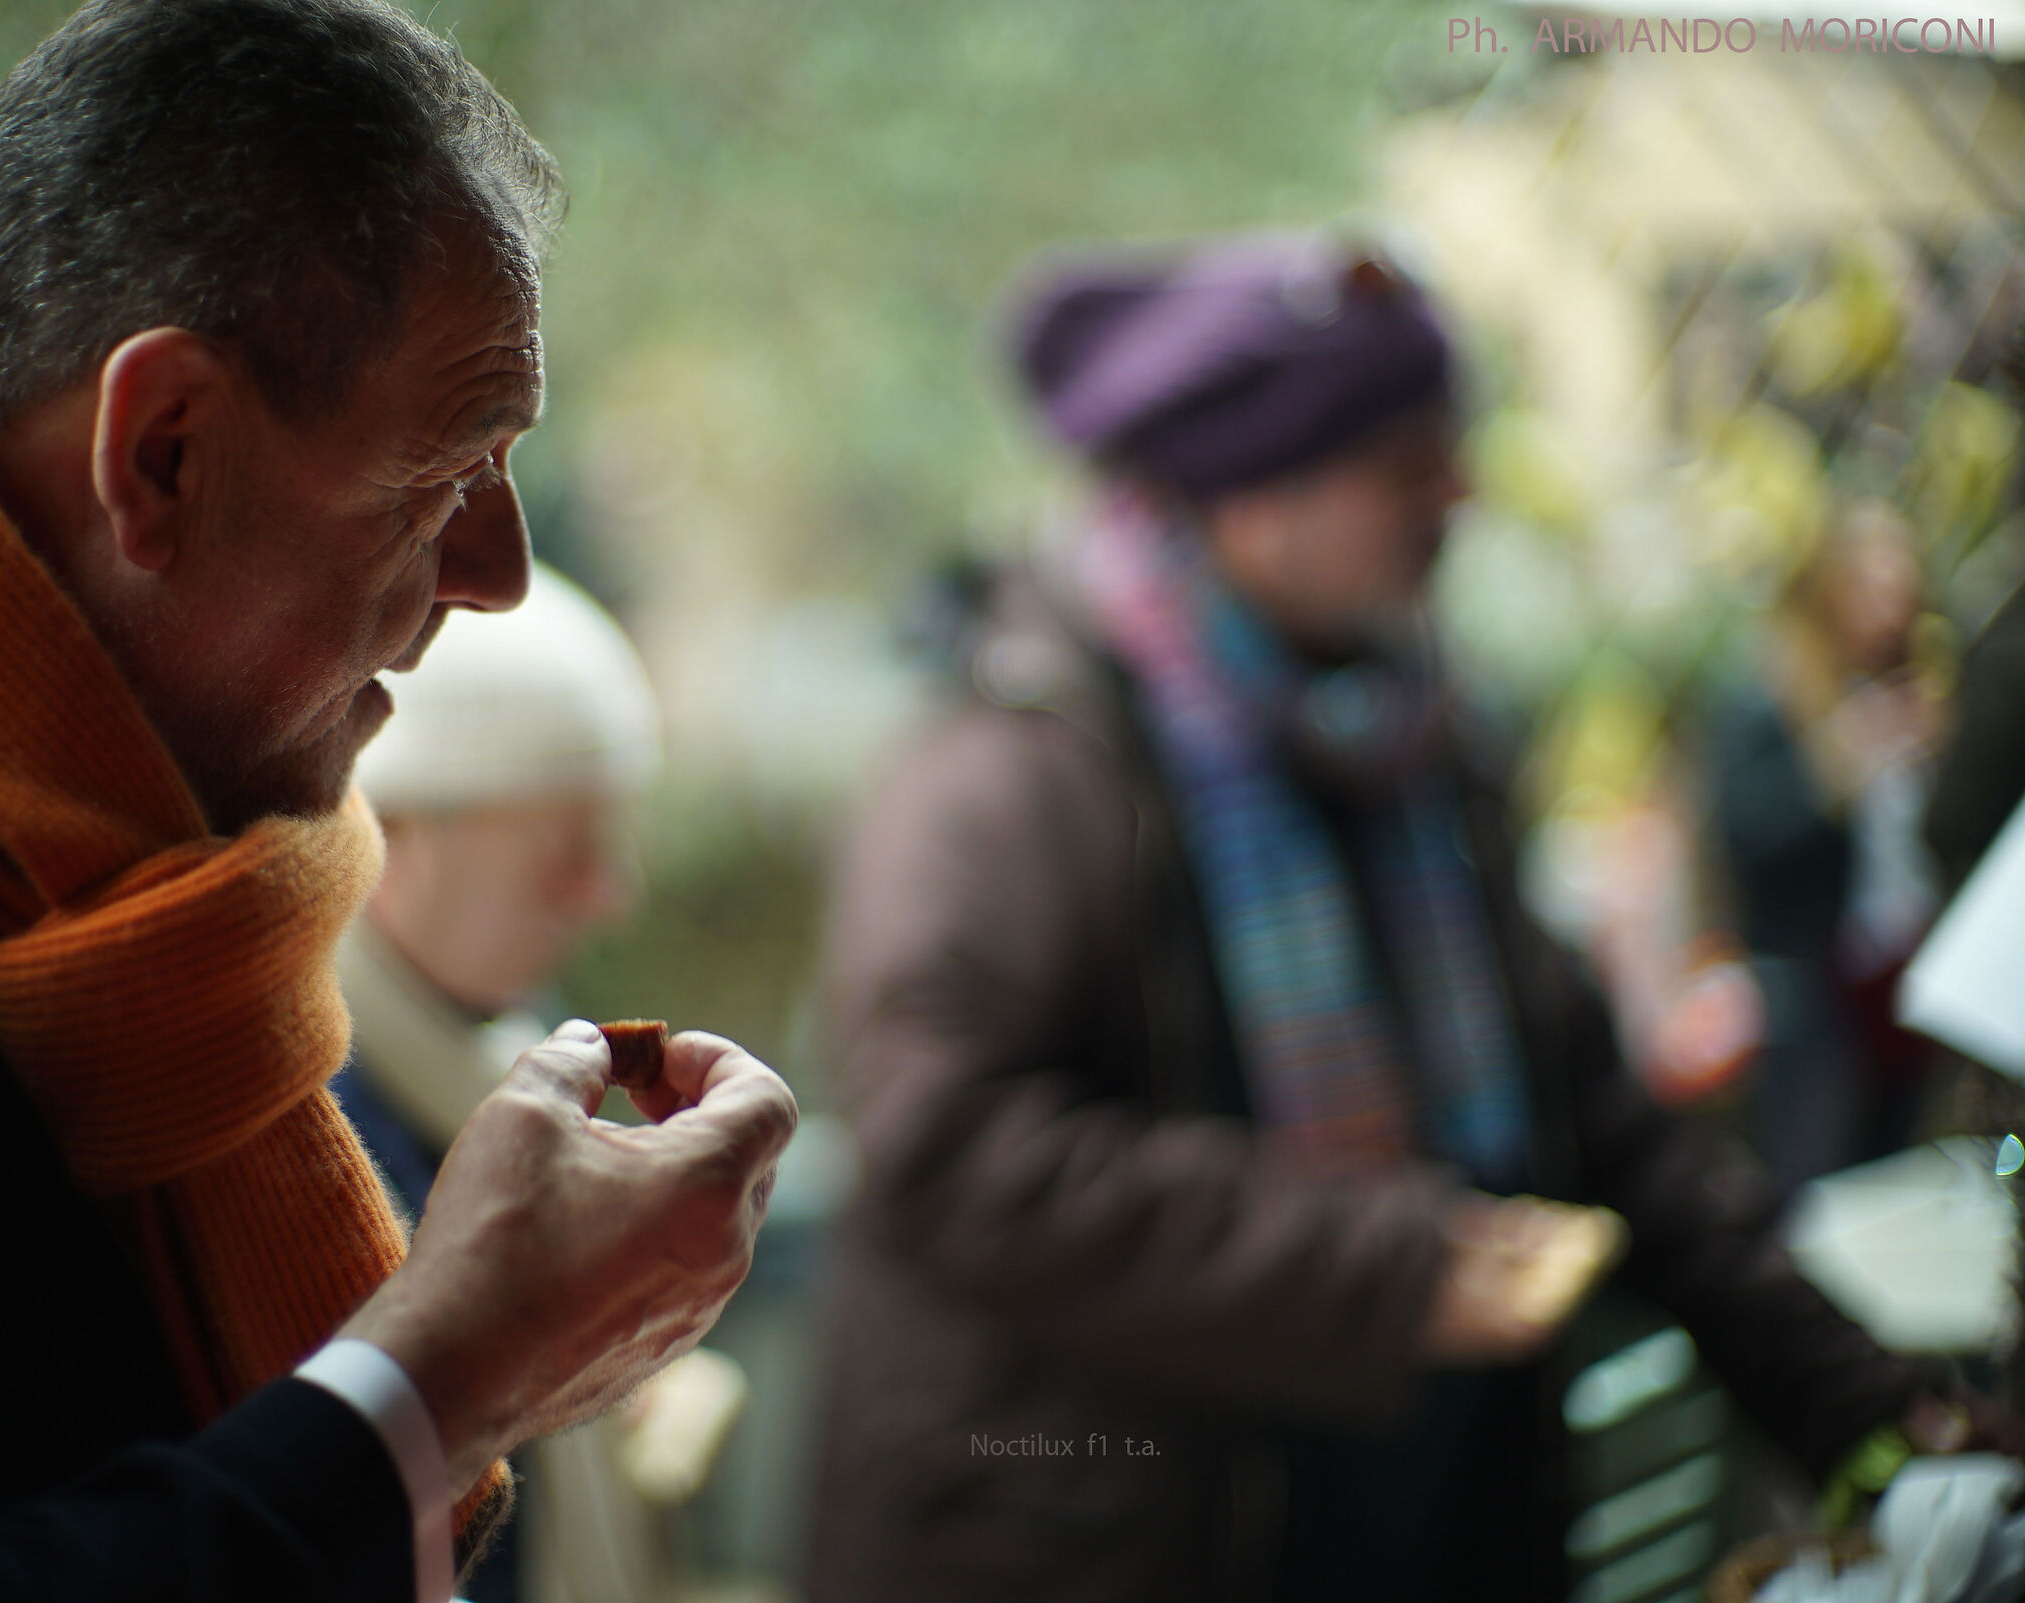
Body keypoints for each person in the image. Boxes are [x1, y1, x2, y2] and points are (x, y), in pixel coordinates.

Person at [0, 3, 795, 1599]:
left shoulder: (103, 862)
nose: (504, 571)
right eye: (449, 475)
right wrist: (449, 1377)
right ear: (163, 450)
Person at [803, 233, 2000, 1603]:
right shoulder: (1014, 769)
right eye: (1403, 463)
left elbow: (1600, 1123)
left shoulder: (1419, 744)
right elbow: (945, 1147)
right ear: (1252, 495)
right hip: (1111, 1536)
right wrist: (1385, 1263)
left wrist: (1876, 1411)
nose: (1457, 492)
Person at [334, 562, 740, 1603]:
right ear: (390, 834)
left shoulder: (486, 1054)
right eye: (566, 852)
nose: (612, 893)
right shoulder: (317, 1123)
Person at [1708, 501, 1945, 1182]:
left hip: (1904, 977)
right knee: (1827, 1172)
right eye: (1869, 588)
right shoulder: (1767, 700)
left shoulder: (1913, 689)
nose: (1887, 609)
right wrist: (1840, 773)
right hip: (1815, 996)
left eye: (1899, 589)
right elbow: (1744, 838)